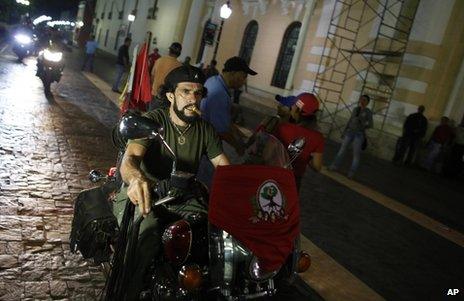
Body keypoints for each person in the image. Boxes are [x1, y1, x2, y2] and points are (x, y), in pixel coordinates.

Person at [114, 65, 230, 299]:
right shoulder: (153, 120)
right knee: (145, 236)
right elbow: (131, 158)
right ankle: (128, 291)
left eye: (198, 93)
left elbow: (225, 168)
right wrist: (136, 179)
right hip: (146, 194)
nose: (192, 99)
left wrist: (244, 188)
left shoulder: (205, 129)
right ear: (170, 95)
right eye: (185, 91)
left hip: (183, 194)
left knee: (213, 236)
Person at [252, 93, 325, 190]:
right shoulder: (318, 137)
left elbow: (267, 154)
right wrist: (305, 156)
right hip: (293, 181)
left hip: (273, 174)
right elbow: (317, 166)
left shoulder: (282, 127)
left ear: (297, 110)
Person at [200, 56, 257, 156]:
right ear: (233, 73)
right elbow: (221, 131)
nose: (244, 82)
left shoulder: (214, 80)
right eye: (243, 77)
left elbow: (224, 119)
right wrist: (238, 146)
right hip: (205, 146)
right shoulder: (220, 94)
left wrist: (238, 132)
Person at [329, 94, 373, 178]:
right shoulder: (356, 109)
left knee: (355, 154)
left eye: (365, 100)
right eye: (361, 99)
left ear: (367, 102)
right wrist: (345, 131)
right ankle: (334, 166)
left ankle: (351, 173)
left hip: (359, 134)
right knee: (342, 150)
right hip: (350, 132)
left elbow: (370, 124)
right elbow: (350, 120)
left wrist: (362, 123)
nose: (362, 101)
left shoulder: (368, 112)